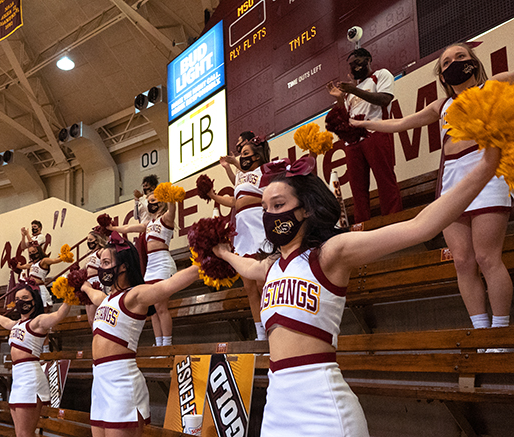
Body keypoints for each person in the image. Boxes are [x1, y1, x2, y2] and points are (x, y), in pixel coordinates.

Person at [212, 146, 501, 436]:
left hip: (323, 404)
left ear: (307, 208)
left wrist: (486, 168)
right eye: (265, 209)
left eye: (278, 205)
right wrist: (222, 252)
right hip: (276, 406)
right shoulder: (270, 267)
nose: (269, 215)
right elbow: (247, 268)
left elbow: (421, 227)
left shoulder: (330, 253)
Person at [351, 43, 514, 336]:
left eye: (460, 57)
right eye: (446, 61)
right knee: (463, 261)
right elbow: (401, 123)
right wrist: (361, 124)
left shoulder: (495, 85)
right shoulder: (440, 106)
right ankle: (480, 331)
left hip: (488, 174)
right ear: (441, 75)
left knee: (487, 258)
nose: (454, 63)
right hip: (451, 181)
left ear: (474, 62)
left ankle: (499, 333)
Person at [78, 233, 199, 435]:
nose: (102, 268)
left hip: (121, 382)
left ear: (123, 266)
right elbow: (91, 292)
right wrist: (80, 284)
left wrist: (205, 262)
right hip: (99, 382)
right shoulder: (106, 299)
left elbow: (168, 285)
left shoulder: (134, 295)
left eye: (106, 262)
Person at [205, 136, 272, 340]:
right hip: (242, 228)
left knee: (263, 283)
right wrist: (213, 195)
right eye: (241, 154)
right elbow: (235, 200)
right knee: (249, 286)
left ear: (258, 155)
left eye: (245, 154)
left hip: (259, 222)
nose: (242, 158)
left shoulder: (265, 172)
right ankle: (260, 334)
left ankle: (273, 328)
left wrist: (233, 163)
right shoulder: (242, 178)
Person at [326, 47, 403, 223]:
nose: (355, 67)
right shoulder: (350, 91)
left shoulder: (381, 75)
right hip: (353, 141)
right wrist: (340, 98)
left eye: (358, 62)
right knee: (357, 187)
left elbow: (384, 99)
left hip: (376, 132)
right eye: (351, 65)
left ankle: (394, 220)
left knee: (385, 179)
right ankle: (362, 224)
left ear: (368, 59)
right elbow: (345, 116)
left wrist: (353, 91)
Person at [0, 284, 71, 437]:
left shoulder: (37, 322)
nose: (20, 302)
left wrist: (69, 297)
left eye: (25, 298)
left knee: (24, 433)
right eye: (17, 299)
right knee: (21, 433)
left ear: (34, 301)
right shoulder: (16, 324)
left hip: (30, 377)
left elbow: (59, 315)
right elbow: (5, 322)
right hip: (17, 376)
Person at [109, 191, 178, 347]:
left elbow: (173, 208)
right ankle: (158, 344)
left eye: (153, 200)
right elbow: (127, 228)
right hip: (151, 266)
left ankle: (167, 345)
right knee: (151, 309)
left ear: (161, 202)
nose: (150, 203)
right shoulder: (148, 224)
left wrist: (171, 197)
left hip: (163, 263)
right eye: (148, 201)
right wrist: (111, 227)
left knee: (161, 307)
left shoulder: (166, 218)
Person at [17, 243, 70, 310]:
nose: (31, 254)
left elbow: (55, 260)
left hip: (40, 287)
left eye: (33, 252)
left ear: (39, 251)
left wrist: (64, 255)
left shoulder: (44, 261)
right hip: (31, 288)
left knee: (44, 306)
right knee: (32, 307)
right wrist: (16, 264)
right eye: (30, 252)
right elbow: (21, 267)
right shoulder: (31, 264)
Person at [84, 229, 110, 327]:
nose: (89, 242)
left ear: (97, 240)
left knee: (98, 317)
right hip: (88, 283)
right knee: (91, 320)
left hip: (96, 282)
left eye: (91, 239)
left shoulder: (101, 251)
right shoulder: (90, 254)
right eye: (87, 239)